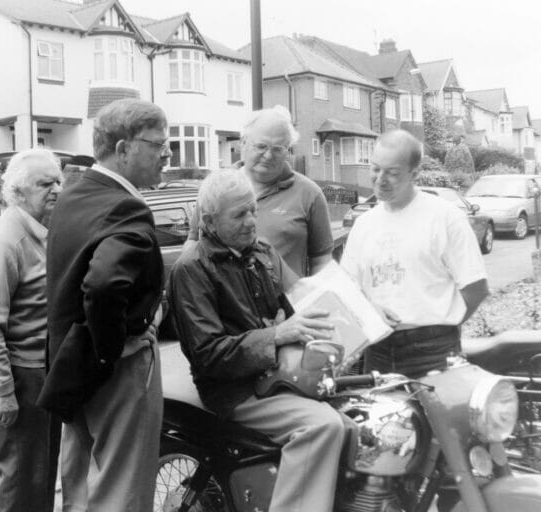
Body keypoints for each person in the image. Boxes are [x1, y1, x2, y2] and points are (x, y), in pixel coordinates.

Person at [169, 170, 345, 512]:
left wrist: (354, 320)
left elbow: (302, 301)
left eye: (253, 210)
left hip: (276, 376)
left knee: (361, 421)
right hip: (235, 390)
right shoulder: (191, 269)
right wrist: (276, 335)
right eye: (239, 215)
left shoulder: (261, 252)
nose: (252, 222)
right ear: (208, 221)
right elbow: (208, 355)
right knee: (320, 427)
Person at [38, 98, 169, 511]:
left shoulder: (73, 195)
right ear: (125, 148)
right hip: (115, 374)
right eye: (158, 144)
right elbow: (105, 284)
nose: (167, 154)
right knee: (121, 493)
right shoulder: (126, 208)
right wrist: (117, 347)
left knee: (79, 489)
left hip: (70, 367)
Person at [341, 129, 489, 379]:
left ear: (414, 174)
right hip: (377, 349)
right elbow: (348, 288)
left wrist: (441, 327)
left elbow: (476, 288)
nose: (380, 179)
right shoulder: (364, 224)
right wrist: (369, 310)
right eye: (376, 169)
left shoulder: (445, 217)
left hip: (433, 351)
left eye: (393, 173)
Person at [0, 148, 63, 512]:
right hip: (20, 380)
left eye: (58, 180)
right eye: (45, 184)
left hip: (43, 374)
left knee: (40, 475)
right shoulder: (8, 239)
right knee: (21, 480)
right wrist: (4, 391)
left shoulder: (42, 230)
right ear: (19, 192)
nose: (56, 189)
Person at [188, 105, 334, 277]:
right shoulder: (215, 190)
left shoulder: (310, 195)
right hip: (221, 301)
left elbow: (321, 260)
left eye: (278, 149)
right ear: (242, 143)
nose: (268, 155)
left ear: (287, 151)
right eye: (261, 146)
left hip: (283, 301)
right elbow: (193, 243)